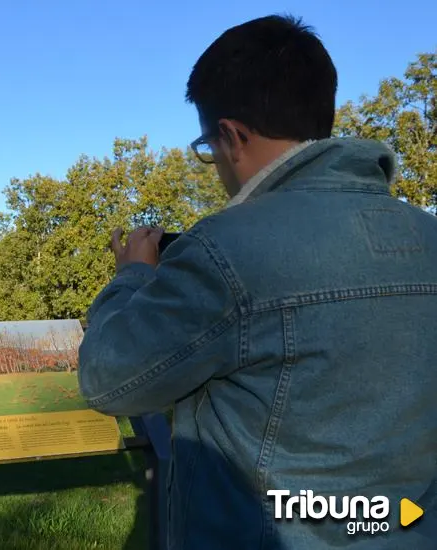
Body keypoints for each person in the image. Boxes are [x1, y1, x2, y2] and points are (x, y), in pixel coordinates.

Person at [77, 14, 437, 549]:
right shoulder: (426, 235)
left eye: (207, 148)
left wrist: (131, 274)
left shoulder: (226, 249)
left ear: (230, 135)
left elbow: (109, 379)